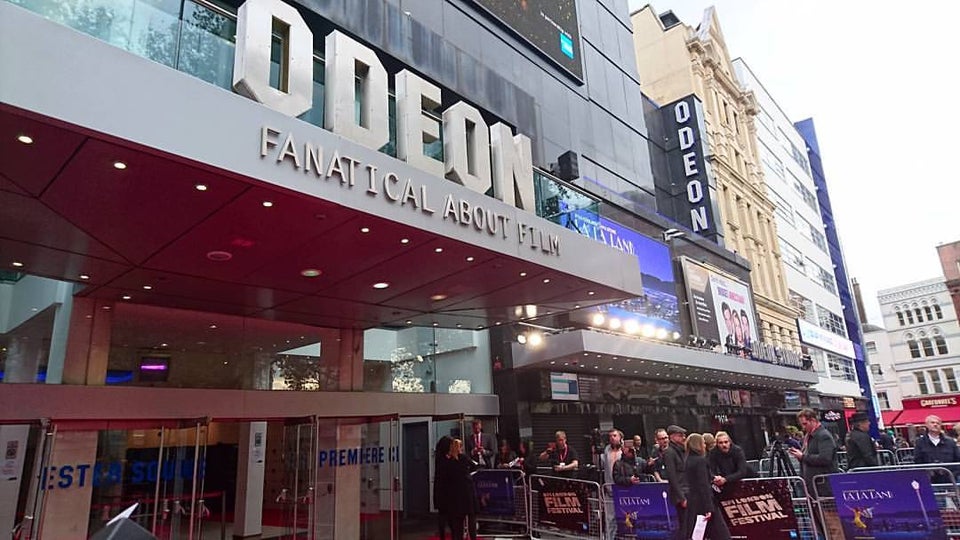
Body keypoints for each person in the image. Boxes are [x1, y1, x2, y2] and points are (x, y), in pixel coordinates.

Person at [685, 433, 731, 540]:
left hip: (694, 503)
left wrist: (712, 477)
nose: (704, 446)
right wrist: (708, 507)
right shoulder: (700, 460)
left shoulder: (687, 460)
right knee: (722, 534)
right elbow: (703, 485)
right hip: (705, 503)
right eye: (703, 443)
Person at [788, 408, 838, 498]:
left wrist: (803, 457)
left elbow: (825, 458)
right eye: (801, 424)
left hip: (823, 485)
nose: (803, 427)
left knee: (828, 511)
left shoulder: (823, 436)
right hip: (813, 484)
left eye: (805, 424)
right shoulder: (808, 436)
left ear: (813, 421)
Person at [436, 438, 478, 540]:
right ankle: (473, 537)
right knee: (471, 517)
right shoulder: (463, 458)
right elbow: (475, 466)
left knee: (458, 522)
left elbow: (446, 477)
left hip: (456, 495)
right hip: (467, 492)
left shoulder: (448, 462)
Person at [913, 414, 960, 484]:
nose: (935, 424)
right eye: (932, 422)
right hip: (930, 480)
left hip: (949, 479)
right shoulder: (920, 442)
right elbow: (917, 460)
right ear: (926, 425)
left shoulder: (950, 442)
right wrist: (927, 472)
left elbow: (957, 460)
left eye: (938, 423)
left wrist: (953, 473)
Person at [663, 425, 688, 539]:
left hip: (687, 490)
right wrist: (681, 497)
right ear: (672, 436)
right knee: (684, 524)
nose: (683, 437)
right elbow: (672, 477)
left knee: (689, 523)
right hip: (680, 494)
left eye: (683, 435)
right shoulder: (669, 452)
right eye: (680, 435)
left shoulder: (683, 450)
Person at [709, 431, 752, 497]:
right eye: (721, 443)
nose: (724, 445)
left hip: (746, 479)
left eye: (726, 442)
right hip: (727, 480)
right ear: (717, 444)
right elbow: (711, 469)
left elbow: (742, 471)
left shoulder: (737, 450)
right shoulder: (713, 452)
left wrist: (725, 479)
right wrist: (715, 477)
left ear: (729, 442)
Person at [434, 435, 453, 540]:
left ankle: (443, 536)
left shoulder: (439, 458)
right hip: (445, 491)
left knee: (442, 515)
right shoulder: (444, 460)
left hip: (440, 491)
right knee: (447, 516)